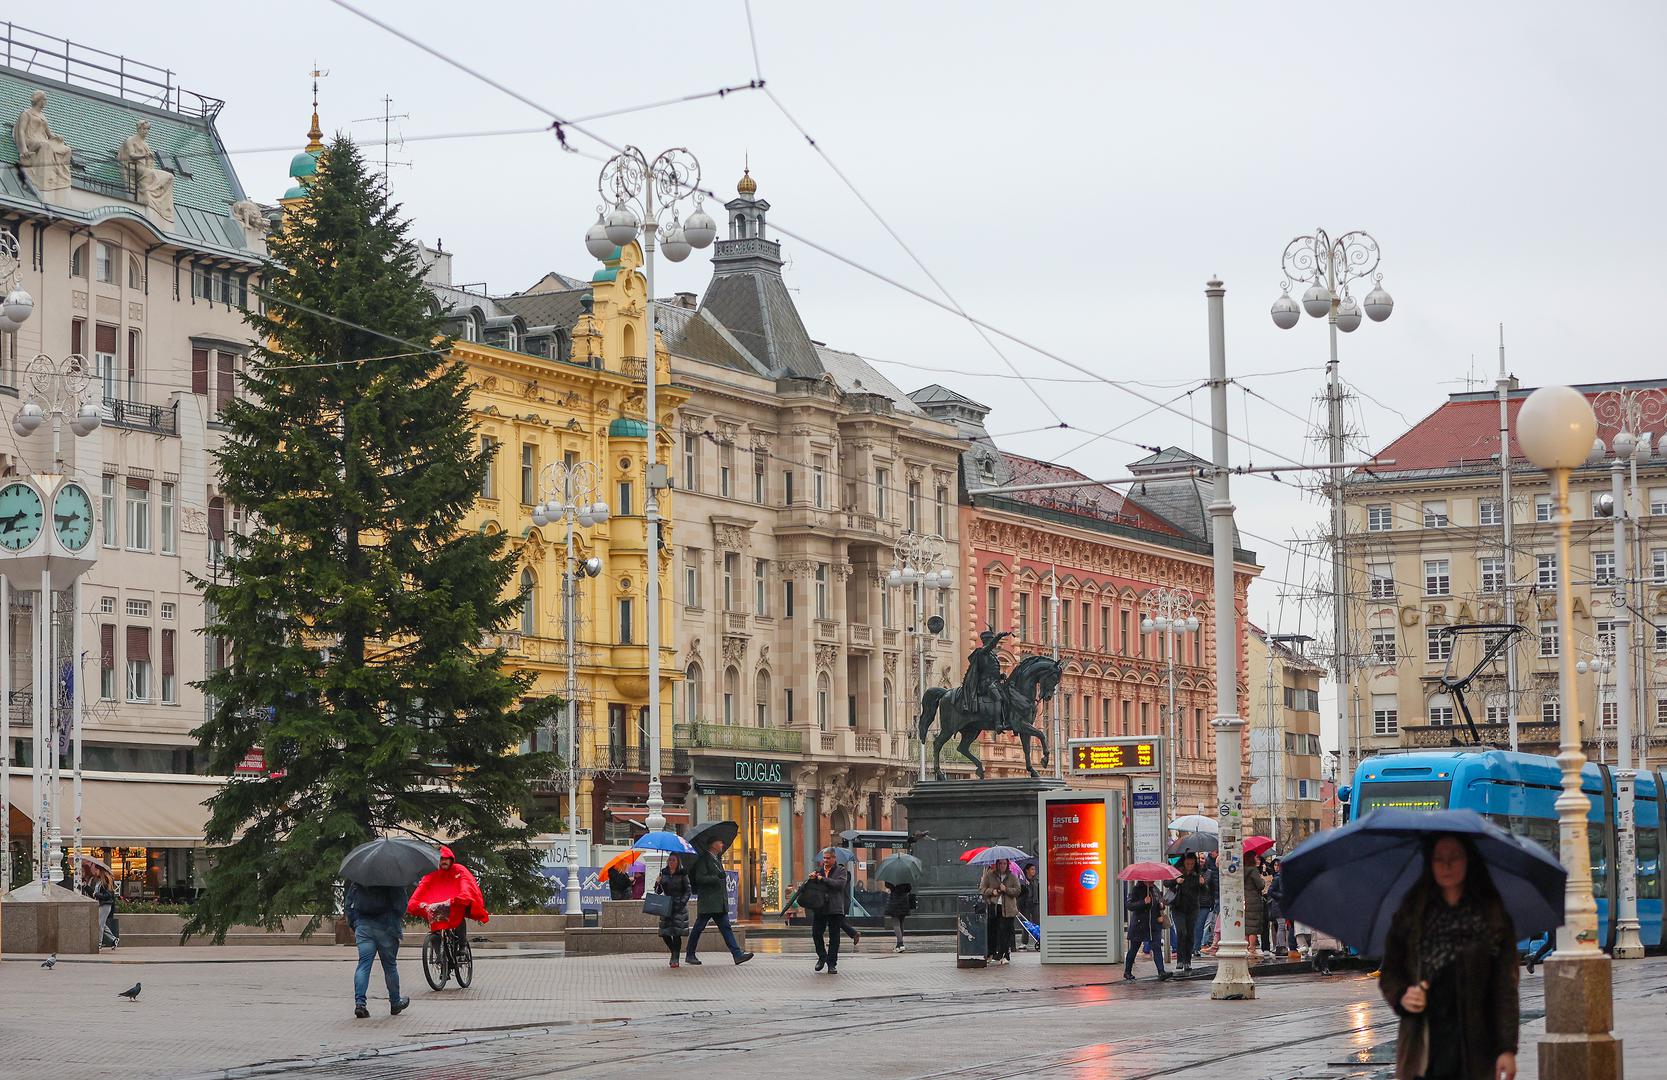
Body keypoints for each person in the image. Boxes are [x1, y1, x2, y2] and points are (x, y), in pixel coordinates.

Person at [1378, 835, 1519, 1080]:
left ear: (1468, 861)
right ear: (1429, 864)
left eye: (1454, 857)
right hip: (1424, 1043)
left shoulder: (1492, 917)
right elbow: (1391, 972)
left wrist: (1506, 1048)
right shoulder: (1412, 914)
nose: (1446, 865)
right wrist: (1403, 995)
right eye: (1439, 859)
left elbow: (1504, 988)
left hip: (1476, 1044)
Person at [407, 845, 491, 959]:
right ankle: (440, 959)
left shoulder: (459, 869)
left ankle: (463, 946)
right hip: (439, 906)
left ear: (451, 860)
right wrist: (414, 902)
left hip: (456, 904)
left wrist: (463, 896)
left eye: (446, 859)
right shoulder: (432, 874)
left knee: (459, 917)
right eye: (441, 859)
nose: (444, 861)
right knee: (435, 931)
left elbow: (466, 883)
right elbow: (422, 887)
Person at [345, 878, 412, 1019]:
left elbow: (349, 905)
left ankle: (360, 1004)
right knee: (390, 967)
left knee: (363, 965)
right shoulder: (393, 879)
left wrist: (355, 923)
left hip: (363, 927)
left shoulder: (360, 878)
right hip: (387, 928)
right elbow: (401, 906)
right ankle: (395, 1003)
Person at [685, 836, 754, 967]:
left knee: (726, 928)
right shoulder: (704, 859)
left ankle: (737, 955)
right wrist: (716, 878)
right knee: (699, 927)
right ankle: (690, 953)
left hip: (718, 901)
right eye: (720, 841)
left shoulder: (716, 859)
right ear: (713, 844)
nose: (722, 843)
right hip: (709, 901)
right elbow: (700, 878)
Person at [806, 847, 851, 973]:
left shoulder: (841, 870)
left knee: (834, 937)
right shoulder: (819, 871)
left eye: (827, 858)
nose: (825, 860)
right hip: (820, 908)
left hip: (835, 908)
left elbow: (839, 885)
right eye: (824, 858)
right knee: (816, 934)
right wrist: (812, 879)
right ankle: (822, 957)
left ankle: (832, 964)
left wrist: (822, 879)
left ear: (834, 858)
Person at [1123, 881, 1172, 982]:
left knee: (1157, 947)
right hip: (1140, 925)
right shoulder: (1136, 889)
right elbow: (1129, 905)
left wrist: (1161, 906)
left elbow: (1158, 903)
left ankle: (1161, 971)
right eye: (1150, 879)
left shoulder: (1155, 889)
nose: (1152, 881)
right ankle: (1127, 972)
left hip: (1153, 924)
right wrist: (1143, 902)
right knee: (1134, 948)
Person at [979, 857, 1022, 965]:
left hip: (1008, 908)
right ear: (997, 864)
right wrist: (992, 891)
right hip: (994, 906)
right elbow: (982, 889)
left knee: (1005, 932)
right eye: (1000, 863)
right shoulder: (990, 875)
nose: (1002, 865)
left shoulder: (1012, 876)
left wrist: (1006, 889)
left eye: (1004, 863)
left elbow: (1017, 891)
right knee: (992, 931)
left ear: (1007, 865)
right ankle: (991, 953)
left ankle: (1005, 954)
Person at [654, 854, 692, 968]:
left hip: (679, 906)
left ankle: (675, 957)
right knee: (664, 933)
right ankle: (673, 952)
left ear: (678, 861)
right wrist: (658, 882)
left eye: (673, 860)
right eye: (669, 860)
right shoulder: (663, 872)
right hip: (666, 905)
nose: (671, 862)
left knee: (676, 933)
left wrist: (682, 902)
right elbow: (658, 891)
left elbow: (688, 890)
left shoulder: (682, 873)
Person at [1168, 853, 1205, 973]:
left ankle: (1187, 960)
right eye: (1187, 863)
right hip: (1178, 907)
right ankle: (1180, 959)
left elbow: (1205, 892)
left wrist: (1202, 884)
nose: (1190, 866)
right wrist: (1176, 880)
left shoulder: (1197, 874)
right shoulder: (1177, 871)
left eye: (1192, 864)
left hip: (1192, 908)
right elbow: (1166, 883)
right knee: (1181, 932)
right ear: (1183, 862)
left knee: (1190, 934)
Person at [1243, 858, 1267, 964]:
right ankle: (1252, 948)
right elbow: (1260, 885)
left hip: (1244, 899)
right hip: (1253, 899)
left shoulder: (1241, 870)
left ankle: (1245, 947)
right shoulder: (1253, 870)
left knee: (1246, 925)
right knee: (1253, 926)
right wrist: (1262, 880)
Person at [883, 880, 915, 952]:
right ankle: (899, 944)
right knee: (901, 923)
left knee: (896, 923)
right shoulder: (905, 877)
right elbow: (909, 888)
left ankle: (900, 944)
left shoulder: (892, 877)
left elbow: (887, 885)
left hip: (894, 900)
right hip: (904, 901)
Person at [1196, 852, 1219, 955]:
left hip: (1204, 903)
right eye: (1199, 858)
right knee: (1192, 926)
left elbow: (1212, 888)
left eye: (1203, 858)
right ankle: (1192, 947)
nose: (1201, 860)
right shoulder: (1192, 872)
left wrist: (1203, 884)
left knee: (1199, 926)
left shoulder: (1209, 872)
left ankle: (1196, 947)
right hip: (1192, 902)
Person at [1016, 862, 1040, 950]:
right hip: (1025, 904)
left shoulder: (1036, 880)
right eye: (1032, 869)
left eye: (1034, 869)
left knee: (1037, 922)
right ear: (1027, 870)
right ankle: (1024, 942)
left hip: (1035, 903)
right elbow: (1020, 893)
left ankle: (1039, 939)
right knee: (1026, 923)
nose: (1034, 871)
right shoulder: (1022, 880)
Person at [92, 872, 119, 950]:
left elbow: (108, 895)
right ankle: (114, 939)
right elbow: (95, 894)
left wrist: (97, 894)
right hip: (101, 904)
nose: (95, 871)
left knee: (99, 924)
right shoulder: (99, 882)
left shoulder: (105, 882)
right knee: (102, 924)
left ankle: (99, 943)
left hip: (105, 905)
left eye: (97, 870)